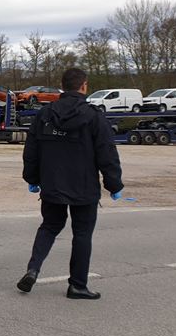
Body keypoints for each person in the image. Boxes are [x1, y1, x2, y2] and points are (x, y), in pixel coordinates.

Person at [17, 67, 124, 300]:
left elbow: (31, 151)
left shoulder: (45, 115)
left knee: (49, 226)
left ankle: (33, 269)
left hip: (52, 184)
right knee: (82, 233)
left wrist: (32, 179)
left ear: (62, 86)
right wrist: (114, 185)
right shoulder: (94, 116)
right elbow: (107, 153)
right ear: (84, 86)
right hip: (84, 187)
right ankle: (77, 285)